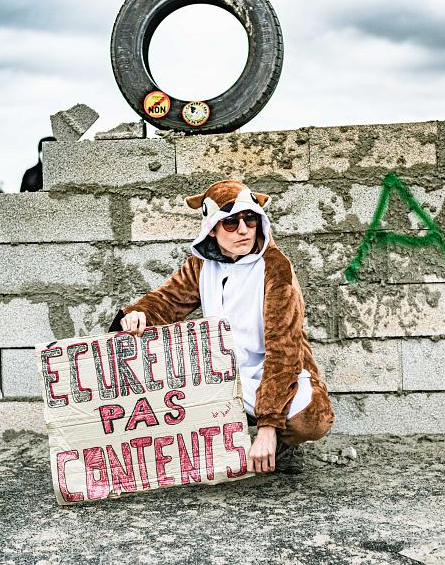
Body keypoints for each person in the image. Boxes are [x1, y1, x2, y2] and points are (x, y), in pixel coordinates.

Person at [113, 180, 335, 474]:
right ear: (213, 228)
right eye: (230, 223)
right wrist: (139, 313)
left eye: (250, 219)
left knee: (311, 419)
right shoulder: (201, 265)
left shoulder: (274, 267)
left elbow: (284, 348)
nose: (243, 230)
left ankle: (282, 445)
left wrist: (268, 426)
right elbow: (167, 300)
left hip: (274, 371)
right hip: (223, 372)